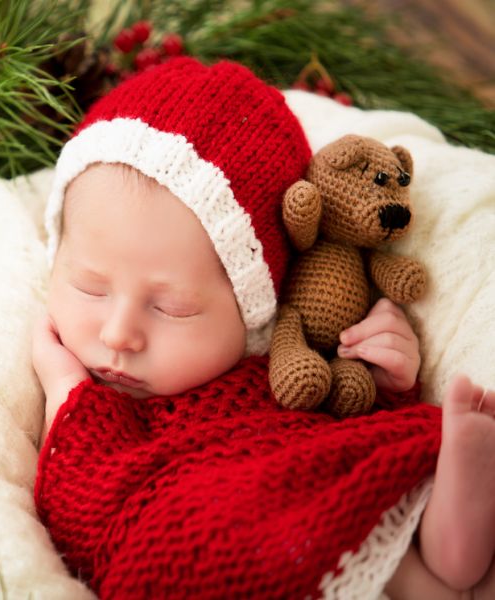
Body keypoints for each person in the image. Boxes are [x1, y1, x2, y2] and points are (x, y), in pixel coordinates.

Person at [32, 57, 495, 599]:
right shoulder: (85, 384)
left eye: (173, 308)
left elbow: (344, 411)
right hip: (216, 531)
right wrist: (64, 392)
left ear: (253, 307)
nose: (118, 334)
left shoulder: (280, 364)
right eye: (90, 287)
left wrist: (388, 376)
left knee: (396, 516)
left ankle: (454, 534)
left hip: (315, 495)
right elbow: (80, 498)